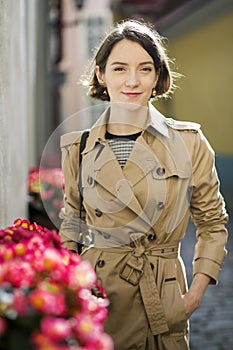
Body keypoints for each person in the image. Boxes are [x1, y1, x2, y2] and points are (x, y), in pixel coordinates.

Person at [58, 19, 228, 350]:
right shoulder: (77, 148)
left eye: (145, 69)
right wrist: (72, 293)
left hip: (162, 296)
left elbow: (213, 223)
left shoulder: (189, 142)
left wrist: (193, 297)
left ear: (157, 77)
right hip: (100, 297)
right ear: (101, 76)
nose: (132, 81)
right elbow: (72, 223)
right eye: (119, 69)